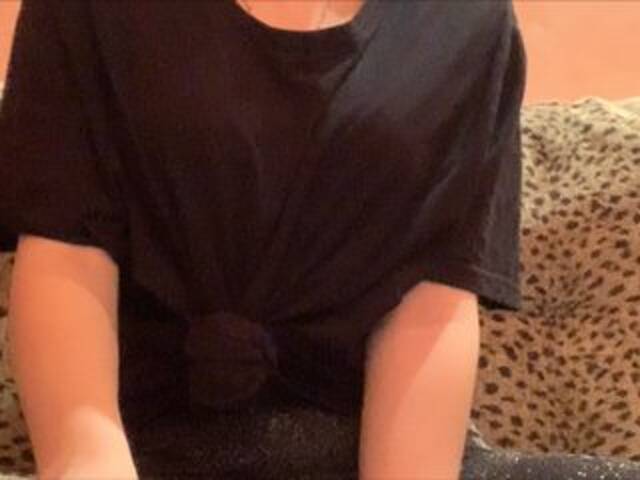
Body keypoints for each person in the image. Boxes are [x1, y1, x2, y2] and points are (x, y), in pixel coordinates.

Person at [0, 0, 530, 478]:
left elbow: (431, 296)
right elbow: (68, 249)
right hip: (145, 445)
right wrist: (86, 462)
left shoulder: (469, 19)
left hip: (362, 446)